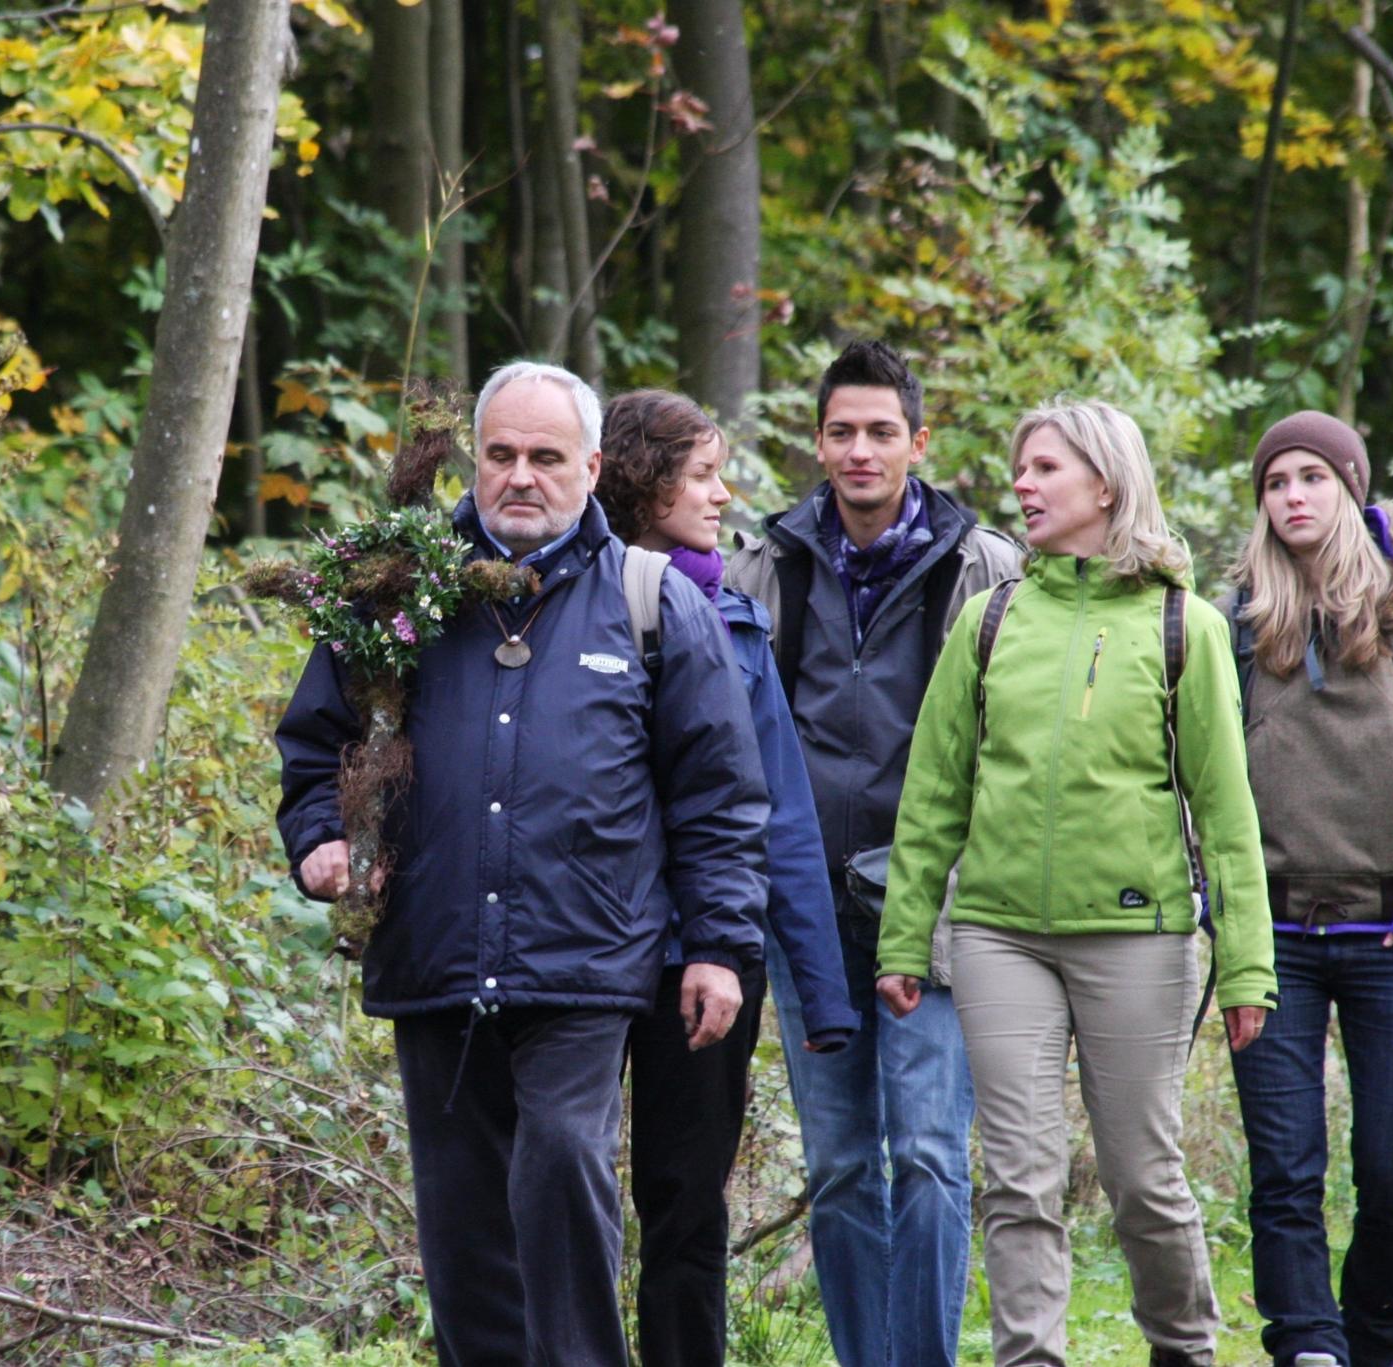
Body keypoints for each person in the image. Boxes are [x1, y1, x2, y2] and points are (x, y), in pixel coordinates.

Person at [275, 361, 771, 1367]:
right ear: (477, 458)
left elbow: (719, 794)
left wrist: (718, 943)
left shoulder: (651, 600)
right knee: (463, 1226)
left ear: (590, 467)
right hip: (436, 953)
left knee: (560, 1162)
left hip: (586, 959)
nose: (521, 476)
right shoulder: (403, 594)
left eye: (547, 457)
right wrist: (321, 840)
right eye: (501, 453)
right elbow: (319, 744)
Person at [875, 398, 1279, 1367]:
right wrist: (903, 936)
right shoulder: (991, 616)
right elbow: (935, 791)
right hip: (997, 934)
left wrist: (1247, 968)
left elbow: (1226, 812)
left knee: (1145, 1180)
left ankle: (1184, 1346)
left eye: (1044, 468)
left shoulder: (1185, 625)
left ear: (1106, 483)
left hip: (1140, 938)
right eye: (1021, 468)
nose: (1022, 484)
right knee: (1019, 1179)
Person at [724, 339, 1022, 1367]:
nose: (860, 451)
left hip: (935, 907)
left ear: (918, 441)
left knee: (934, 1157)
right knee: (846, 1163)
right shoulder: (768, 564)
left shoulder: (985, 565)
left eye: (881, 432)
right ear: (818, 441)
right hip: (807, 914)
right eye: (842, 431)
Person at [1219, 411, 1393, 1367]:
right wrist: (1222, 905)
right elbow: (1201, 776)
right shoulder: (1237, 619)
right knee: (1285, 1168)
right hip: (1276, 936)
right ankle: (1305, 1343)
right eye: (1275, 482)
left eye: (1311, 478)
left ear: (1349, 488)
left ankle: (1375, 1339)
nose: (1292, 495)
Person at [593, 389, 857, 1367]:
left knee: (686, 1204)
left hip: (705, 962)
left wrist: (819, 998)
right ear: (641, 481)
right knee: (554, 1187)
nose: (721, 494)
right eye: (702, 475)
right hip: (577, 946)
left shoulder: (739, 624)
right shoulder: (570, 602)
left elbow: (780, 815)